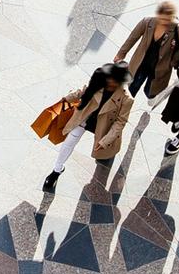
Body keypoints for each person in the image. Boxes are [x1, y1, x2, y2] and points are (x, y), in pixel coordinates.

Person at [43, 63, 135, 195]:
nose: (110, 81)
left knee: (102, 156)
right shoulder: (99, 80)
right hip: (85, 117)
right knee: (69, 142)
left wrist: (105, 141)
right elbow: (83, 92)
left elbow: (120, 122)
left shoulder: (127, 99)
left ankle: (104, 155)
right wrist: (67, 98)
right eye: (110, 77)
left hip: (104, 127)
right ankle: (56, 171)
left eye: (115, 79)